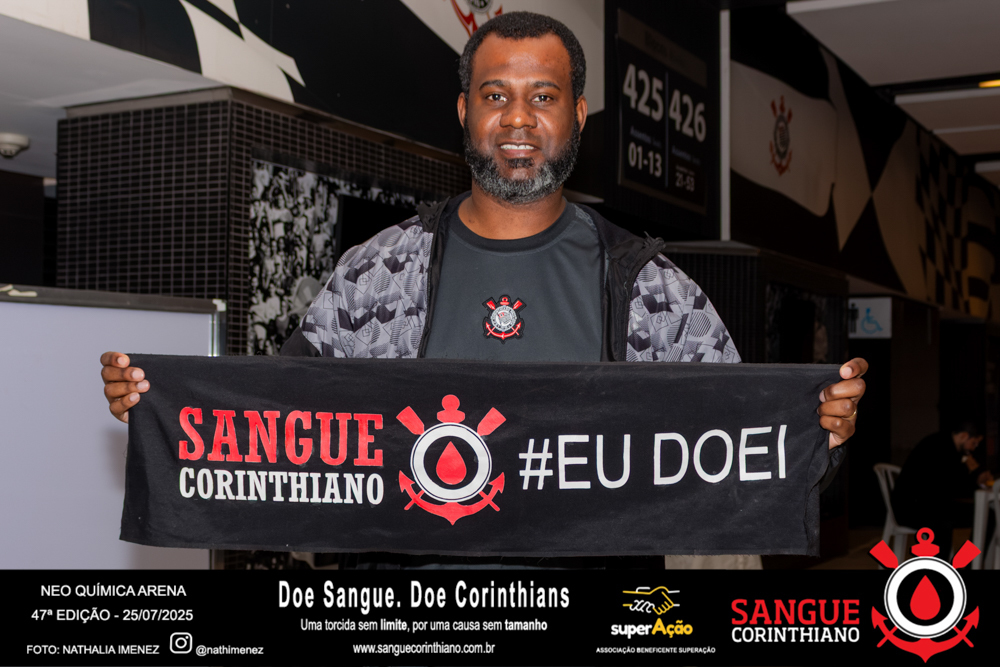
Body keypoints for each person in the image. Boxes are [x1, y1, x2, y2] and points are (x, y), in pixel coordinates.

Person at [100, 12, 867, 566]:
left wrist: (818, 433)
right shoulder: (377, 272)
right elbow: (280, 421)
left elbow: (738, 452)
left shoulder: (650, 289)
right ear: (466, 111)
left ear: (578, 115)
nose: (518, 119)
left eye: (544, 96)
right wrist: (167, 409)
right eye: (496, 95)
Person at [892, 420, 993, 554]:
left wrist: (974, 477)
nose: (974, 448)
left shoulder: (945, 444)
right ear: (964, 436)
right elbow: (952, 487)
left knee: (987, 515)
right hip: (912, 509)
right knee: (948, 520)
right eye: (974, 443)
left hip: (928, 504)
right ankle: (956, 562)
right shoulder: (941, 448)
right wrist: (974, 480)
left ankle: (965, 561)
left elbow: (950, 485)